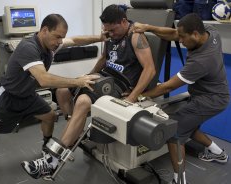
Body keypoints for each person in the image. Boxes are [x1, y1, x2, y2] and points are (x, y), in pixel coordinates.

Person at [0, 13, 106, 184]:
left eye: (61, 38)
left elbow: (76, 40)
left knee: (50, 115)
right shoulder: (29, 47)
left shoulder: (51, 45)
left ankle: (46, 146)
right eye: (57, 36)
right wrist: (78, 81)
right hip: (7, 97)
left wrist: (100, 37)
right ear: (44, 30)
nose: (59, 41)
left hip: (27, 95)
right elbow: (44, 79)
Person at [21, 4, 156, 179]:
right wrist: (88, 75)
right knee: (62, 91)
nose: (110, 34)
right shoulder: (110, 35)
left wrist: (132, 97)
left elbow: (150, 70)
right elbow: (104, 58)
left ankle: (52, 161)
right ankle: (76, 129)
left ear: (123, 22)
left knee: (83, 101)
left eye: (113, 30)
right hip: (103, 76)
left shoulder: (135, 36)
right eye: (107, 31)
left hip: (120, 83)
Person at [133, 13, 230, 184]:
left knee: (175, 132)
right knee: (188, 125)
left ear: (195, 34)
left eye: (183, 38)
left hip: (211, 99)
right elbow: (174, 34)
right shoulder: (210, 31)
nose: (181, 41)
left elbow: (168, 86)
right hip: (209, 93)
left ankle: (179, 180)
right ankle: (217, 153)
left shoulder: (201, 61)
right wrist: (148, 27)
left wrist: (138, 95)